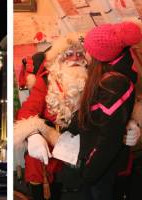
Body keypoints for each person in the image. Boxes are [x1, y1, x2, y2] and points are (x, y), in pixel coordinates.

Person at [13, 32, 140, 200]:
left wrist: (131, 124)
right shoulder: (45, 81)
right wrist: (32, 134)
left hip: (90, 150)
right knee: (38, 164)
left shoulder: (98, 80)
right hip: (54, 148)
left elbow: (115, 112)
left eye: (80, 54)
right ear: (58, 59)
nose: (75, 58)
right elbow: (27, 111)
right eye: (68, 54)